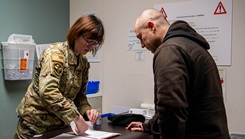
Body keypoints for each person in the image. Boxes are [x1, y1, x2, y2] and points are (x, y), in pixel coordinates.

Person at [126, 8, 230, 139]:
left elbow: (171, 108)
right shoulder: (193, 46)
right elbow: (180, 100)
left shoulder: (169, 50)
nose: (141, 45)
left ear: (151, 26)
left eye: (140, 37)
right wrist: (149, 126)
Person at [14, 14, 104, 139]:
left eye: (94, 43)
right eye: (88, 41)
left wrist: (87, 110)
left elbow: (80, 96)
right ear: (76, 33)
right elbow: (48, 91)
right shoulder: (55, 54)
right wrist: (76, 118)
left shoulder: (83, 63)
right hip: (34, 125)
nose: (90, 46)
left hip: (58, 127)